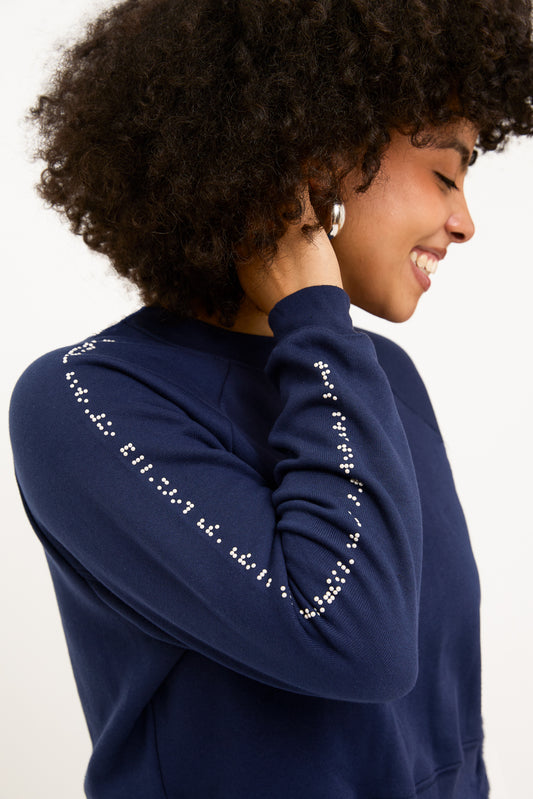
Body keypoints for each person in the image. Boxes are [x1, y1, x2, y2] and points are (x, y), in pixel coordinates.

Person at [9, 0, 533, 797]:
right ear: (317, 154)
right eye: (444, 172)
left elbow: (444, 727)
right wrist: (313, 312)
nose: (464, 222)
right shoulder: (84, 398)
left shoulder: (380, 379)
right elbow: (351, 637)